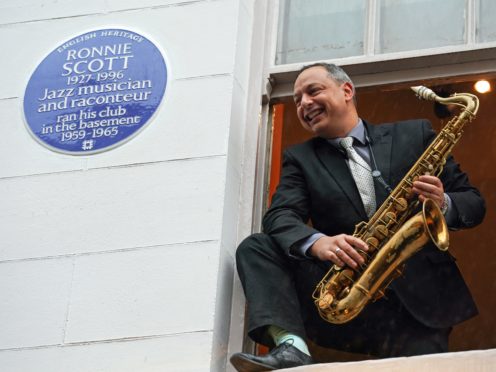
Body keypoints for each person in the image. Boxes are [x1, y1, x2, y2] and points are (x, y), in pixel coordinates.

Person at [230, 63, 486, 371]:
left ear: (347, 90)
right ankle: (291, 347)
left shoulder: (415, 133)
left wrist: (442, 202)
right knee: (256, 246)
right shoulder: (300, 158)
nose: (303, 104)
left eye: (313, 91)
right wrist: (319, 243)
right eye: (297, 99)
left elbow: (474, 203)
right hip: (349, 291)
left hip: (421, 302)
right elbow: (280, 216)